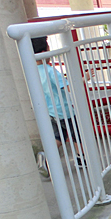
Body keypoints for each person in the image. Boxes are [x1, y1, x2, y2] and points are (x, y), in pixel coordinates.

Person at [31, 36, 83, 168]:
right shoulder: (51, 71)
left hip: (49, 111)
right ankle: (81, 158)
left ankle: (46, 157)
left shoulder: (33, 71)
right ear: (44, 53)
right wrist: (83, 79)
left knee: (59, 137)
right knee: (76, 133)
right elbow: (68, 88)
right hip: (64, 110)